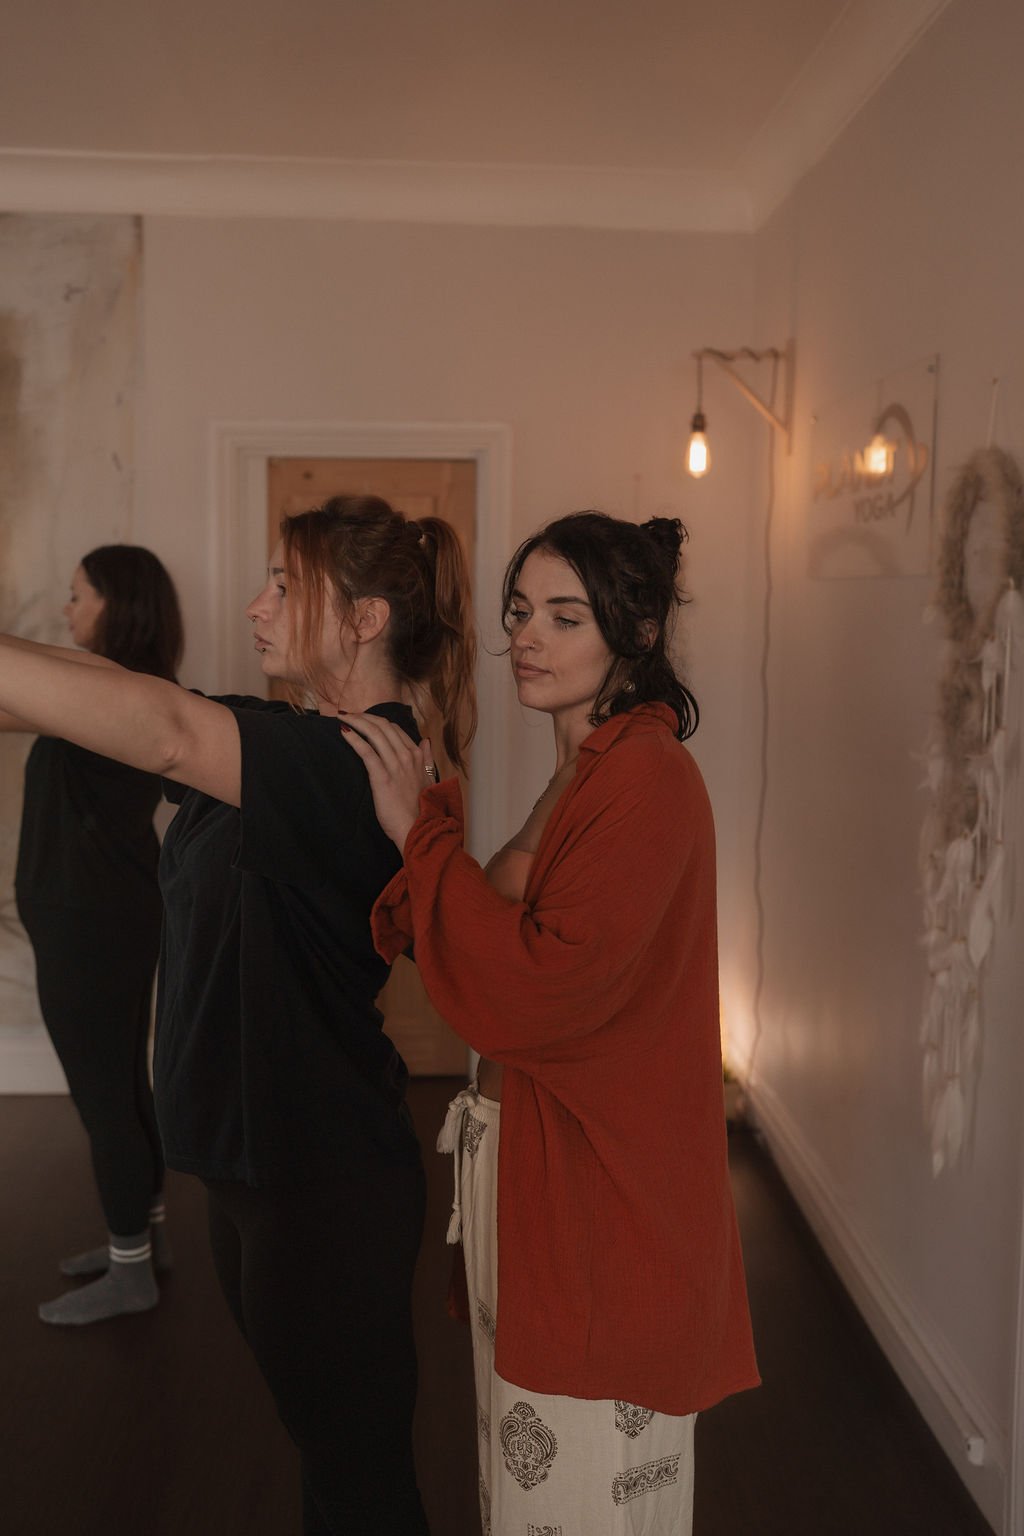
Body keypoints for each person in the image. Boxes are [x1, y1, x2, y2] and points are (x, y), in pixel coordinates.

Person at [0, 495, 476, 1536]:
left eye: (284, 585)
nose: (256, 606)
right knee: (326, 1455)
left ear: (365, 619)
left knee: (358, 1481)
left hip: (320, 1179)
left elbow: (169, 734)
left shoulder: (358, 761)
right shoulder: (290, 738)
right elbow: (117, 696)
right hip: (248, 1165)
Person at [342, 510, 759, 1536]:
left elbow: (541, 987)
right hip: (531, 1163)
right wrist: (424, 837)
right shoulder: (586, 768)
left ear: (638, 633)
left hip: (598, 1190)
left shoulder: (647, 778)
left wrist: (419, 831)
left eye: (565, 618)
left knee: (580, 1492)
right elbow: (485, 930)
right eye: (521, 611)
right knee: (525, 1480)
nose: (527, 636)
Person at [0, 545, 183, 1326]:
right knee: (122, 1085)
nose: (67, 609)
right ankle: (138, 1241)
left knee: (103, 1095)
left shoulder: (108, 694)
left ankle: (130, 1270)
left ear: (118, 603)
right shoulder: (119, 687)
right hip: (101, 916)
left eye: (78, 595)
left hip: (92, 924)